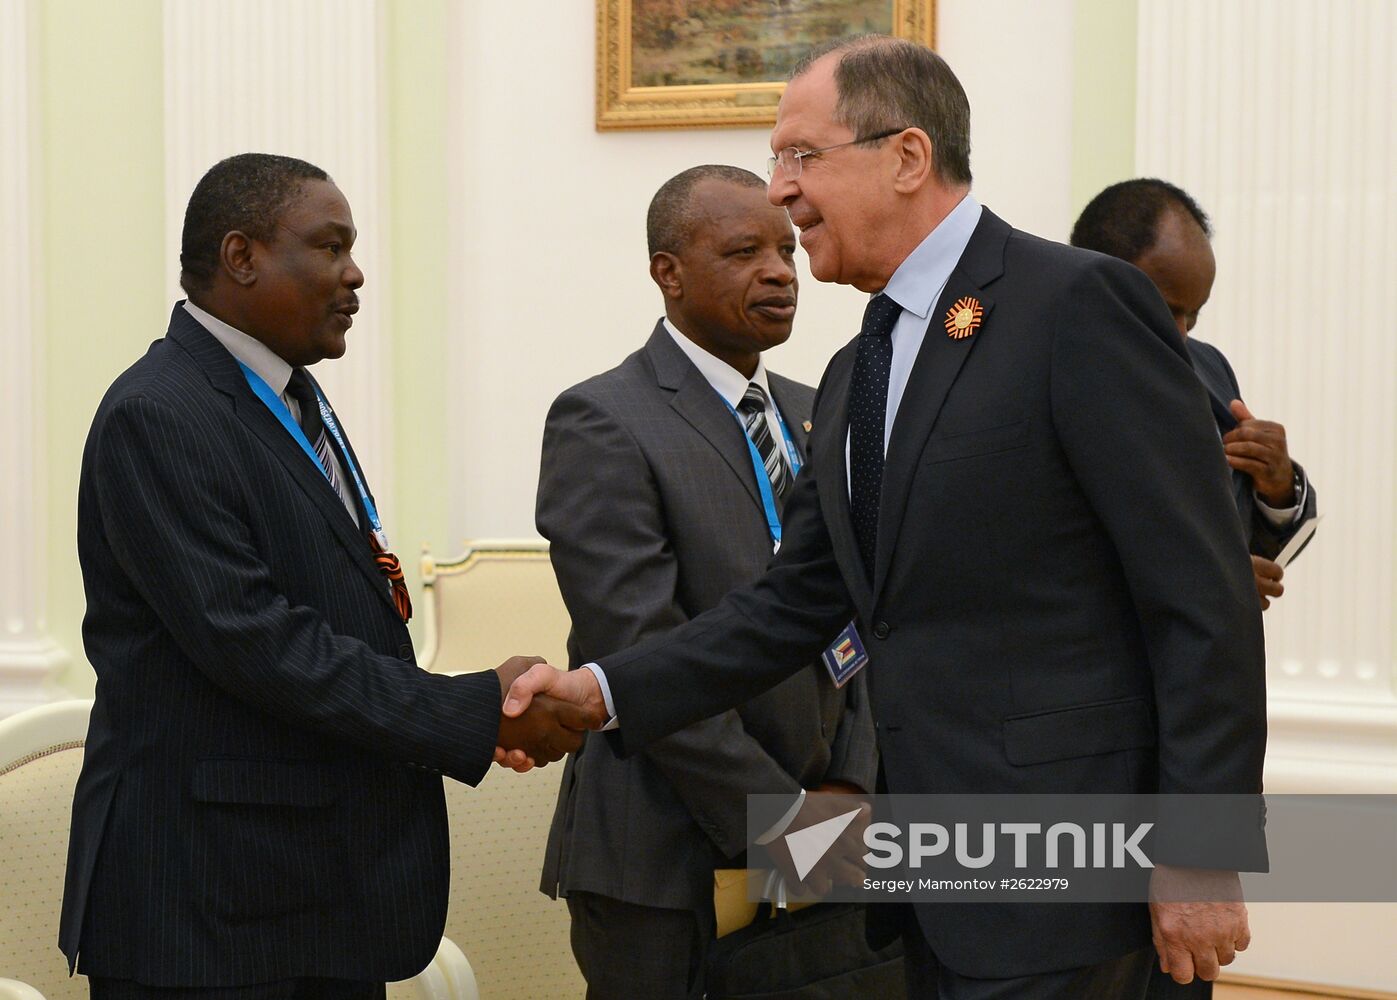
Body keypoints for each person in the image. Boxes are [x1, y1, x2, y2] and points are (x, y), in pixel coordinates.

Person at [504, 36, 1267, 999]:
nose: (778, 188)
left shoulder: (1073, 303)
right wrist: (604, 692)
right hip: (934, 891)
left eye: (800, 156)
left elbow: (1201, 596)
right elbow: (792, 604)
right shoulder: (859, 365)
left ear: (906, 157)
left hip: (1078, 885)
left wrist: (1203, 846)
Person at [62, 153, 586, 998]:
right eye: (330, 246)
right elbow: (257, 642)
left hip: (308, 895)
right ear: (242, 257)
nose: (355, 273)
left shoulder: (290, 397)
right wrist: (471, 706)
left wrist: (471, 704)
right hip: (209, 912)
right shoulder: (158, 412)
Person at [536, 165, 881, 999]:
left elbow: (870, 615)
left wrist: (849, 786)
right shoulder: (604, 419)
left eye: (786, 250)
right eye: (742, 251)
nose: (778, 271)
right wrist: (781, 823)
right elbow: (639, 650)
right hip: (663, 855)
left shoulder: (825, 407)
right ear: (668, 271)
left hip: (833, 823)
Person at [1071, 178, 1318, 615]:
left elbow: (1247, 553)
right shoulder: (1034, 376)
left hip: (1209, 673)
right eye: (1166, 310)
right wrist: (1208, 578)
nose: (1181, 335)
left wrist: (1277, 489)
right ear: (1095, 272)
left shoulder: (1210, 368)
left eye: (1195, 314)